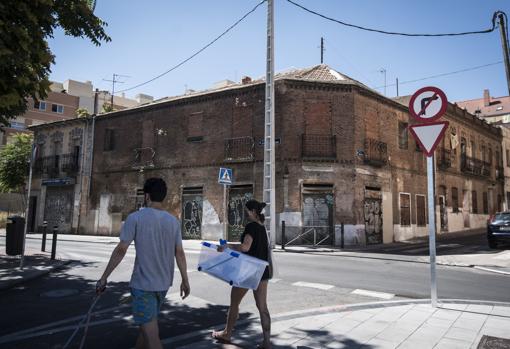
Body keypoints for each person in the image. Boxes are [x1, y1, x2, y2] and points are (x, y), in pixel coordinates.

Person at [96, 177, 190, 349]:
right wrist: (185, 280)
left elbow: (121, 250)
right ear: (163, 197)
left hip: (143, 286)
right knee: (147, 328)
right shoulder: (174, 222)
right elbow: (180, 254)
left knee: (152, 336)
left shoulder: (135, 218)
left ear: (146, 196)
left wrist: (104, 277)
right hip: (163, 285)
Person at [212, 199, 272, 349]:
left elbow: (246, 247)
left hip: (248, 271)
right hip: (262, 271)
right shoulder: (262, 227)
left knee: (234, 304)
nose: (245, 214)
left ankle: (227, 333)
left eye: (247, 211)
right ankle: (266, 342)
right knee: (263, 308)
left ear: (253, 212)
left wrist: (227, 246)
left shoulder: (251, 226)